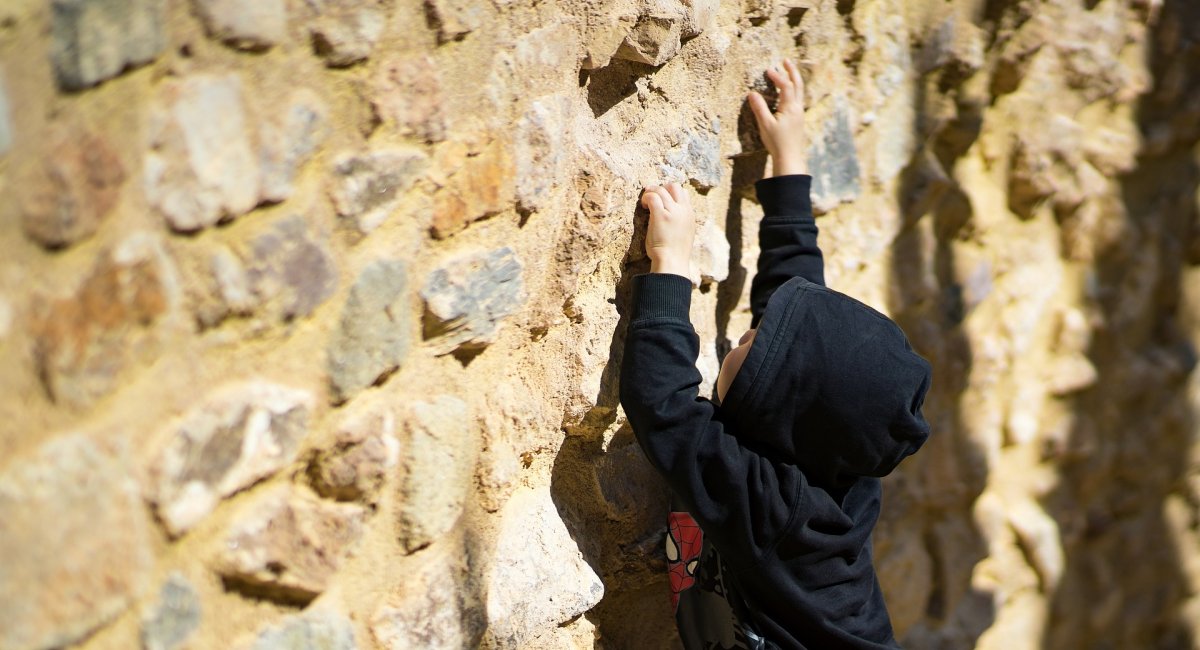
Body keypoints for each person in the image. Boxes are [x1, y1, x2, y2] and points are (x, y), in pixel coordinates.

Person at [619, 59, 934, 649]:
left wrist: (670, 269)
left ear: (782, 410)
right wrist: (790, 161)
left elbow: (661, 404)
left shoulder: (774, 508)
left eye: (754, 346)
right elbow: (798, 318)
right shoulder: (837, 452)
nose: (745, 334)